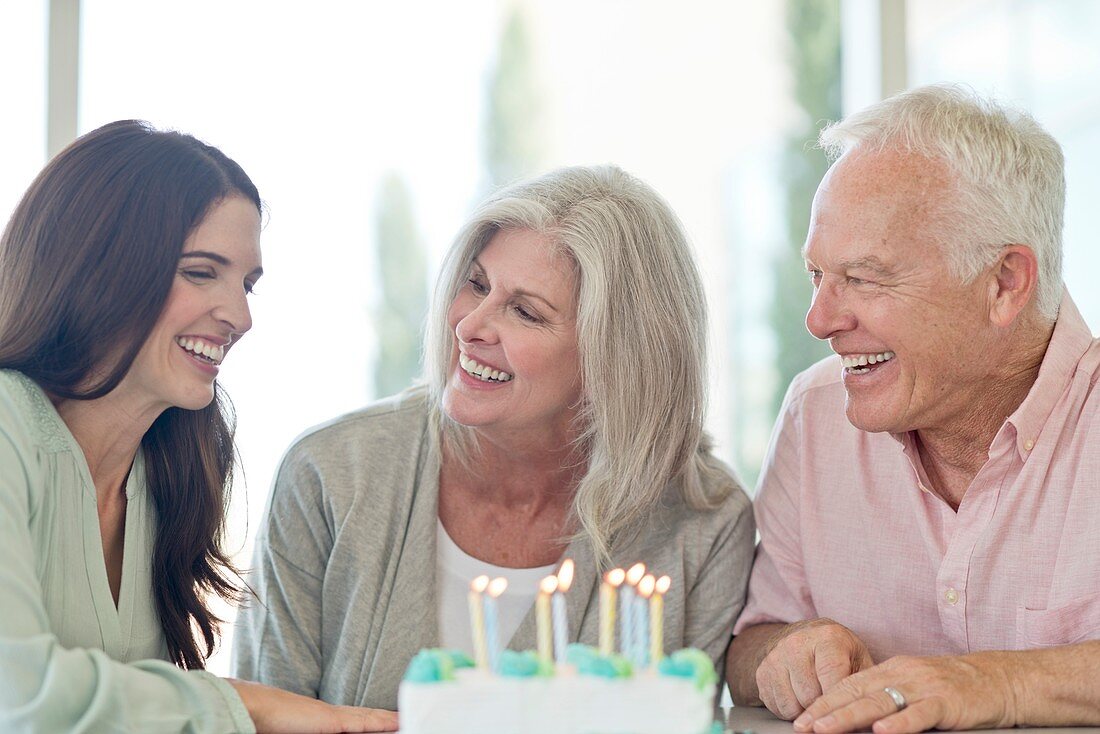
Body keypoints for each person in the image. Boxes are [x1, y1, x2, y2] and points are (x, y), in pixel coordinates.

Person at [232, 164, 755, 710]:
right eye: (476, 284)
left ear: (617, 359)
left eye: (525, 312)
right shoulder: (328, 473)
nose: (469, 325)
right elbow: (263, 716)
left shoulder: (705, 523)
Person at [0, 120, 397, 733]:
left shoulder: (168, 477)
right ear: (98, 265)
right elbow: (20, 698)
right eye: (201, 272)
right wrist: (244, 706)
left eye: (247, 284)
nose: (239, 315)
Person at [726, 84, 1100, 733]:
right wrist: (790, 649)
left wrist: (996, 683)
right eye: (818, 275)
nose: (819, 320)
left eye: (864, 278)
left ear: (1004, 283)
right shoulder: (815, 415)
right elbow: (749, 646)